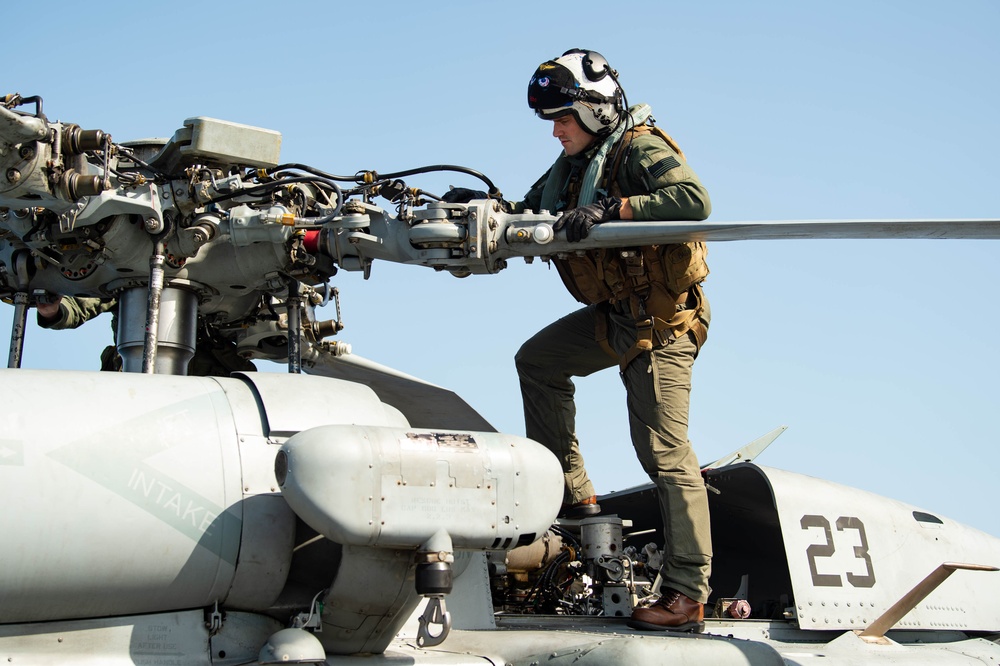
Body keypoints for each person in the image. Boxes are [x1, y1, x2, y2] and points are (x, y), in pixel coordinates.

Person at [444, 49, 713, 633]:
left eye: (564, 118)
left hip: (660, 327)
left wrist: (612, 209)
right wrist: (487, 214)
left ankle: (687, 593)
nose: (557, 129)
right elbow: (529, 209)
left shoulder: (638, 150)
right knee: (537, 362)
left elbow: (693, 201)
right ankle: (575, 498)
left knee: (664, 455)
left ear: (595, 112)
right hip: (615, 319)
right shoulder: (572, 167)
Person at [36, 295, 255, 377]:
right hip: (136, 381)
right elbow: (79, 306)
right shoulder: (133, 270)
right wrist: (53, 311)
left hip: (207, 389)